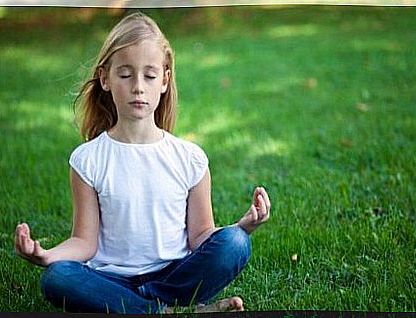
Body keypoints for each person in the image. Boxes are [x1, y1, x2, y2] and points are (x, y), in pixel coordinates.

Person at [14, 12, 271, 314]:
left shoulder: (190, 159)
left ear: (164, 80)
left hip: (175, 276)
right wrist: (46, 255)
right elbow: (84, 242)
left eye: (149, 76)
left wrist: (243, 227)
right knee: (57, 278)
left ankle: (142, 308)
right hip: (110, 280)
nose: (138, 86)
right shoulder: (87, 160)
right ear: (105, 79)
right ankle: (170, 311)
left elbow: (201, 235)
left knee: (236, 244)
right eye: (125, 74)